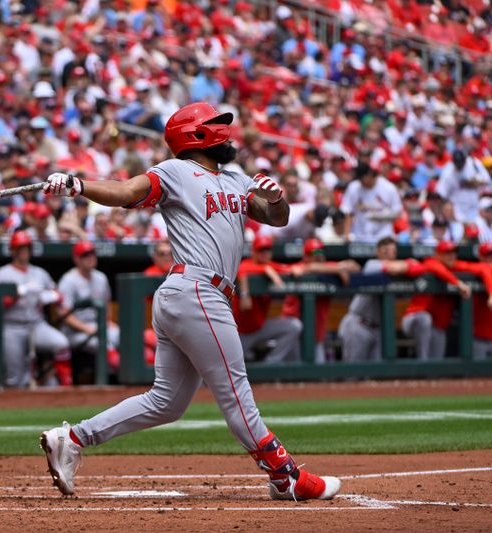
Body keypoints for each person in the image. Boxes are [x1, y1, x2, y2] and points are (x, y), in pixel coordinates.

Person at [40, 102, 341, 501]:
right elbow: (126, 191)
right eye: (217, 124)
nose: (225, 131)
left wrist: (279, 198)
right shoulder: (176, 171)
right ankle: (284, 475)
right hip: (196, 289)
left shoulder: (234, 180)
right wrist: (78, 185)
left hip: (193, 295)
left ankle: (73, 438)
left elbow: (276, 218)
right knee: (236, 393)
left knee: (166, 402)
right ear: (196, 134)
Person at [0, 230, 72, 388]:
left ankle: (63, 383)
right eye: (20, 248)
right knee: (16, 378)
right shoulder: (3, 273)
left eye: (26, 248)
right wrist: (17, 293)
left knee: (61, 343)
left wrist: (50, 296)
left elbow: (59, 294)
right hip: (12, 326)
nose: (24, 252)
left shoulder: (39, 273)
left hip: (37, 324)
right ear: (13, 251)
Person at [400, 241, 492, 360]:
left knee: (437, 356)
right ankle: (421, 362)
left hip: (437, 327)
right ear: (438, 254)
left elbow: (483, 268)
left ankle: (431, 374)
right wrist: (458, 283)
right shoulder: (431, 262)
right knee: (424, 319)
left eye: (453, 253)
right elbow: (437, 269)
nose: (451, 256)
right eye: (446, 253)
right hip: (413, 320)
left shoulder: (456, 266)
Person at [338, 236, 422, 361]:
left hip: (379, 329)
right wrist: (409, 263)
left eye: (392, 251)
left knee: (376, 377)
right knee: (352, 373)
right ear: (377, 253)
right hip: (359, 324)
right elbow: (395, 268)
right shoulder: (372, 265)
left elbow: (418, 269)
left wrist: (410, 265)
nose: (389, 254)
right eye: (385, 251)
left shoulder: (398, 270)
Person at [279, 239, 361, 363]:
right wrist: (338, 269)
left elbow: (355, 266)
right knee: (293, 374)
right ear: (305, 257)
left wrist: (338, 268)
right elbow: (307, 268)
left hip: (316, 334)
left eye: (321, 253)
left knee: (318, 374)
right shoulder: (299, 267)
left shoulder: (328, 268)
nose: (320, 256)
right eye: (315, 254)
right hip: (294, 335)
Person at [234, 235, 302, 363]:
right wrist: (265, 269)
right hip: (240, 334)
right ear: (254, 252)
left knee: (294, 326)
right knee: (228, 366)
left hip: (261, 328)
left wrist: (298, 269)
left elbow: (292, 269)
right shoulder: (246, 264)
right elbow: (241, 269)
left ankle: (271, 362)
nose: (265, 254)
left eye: (267, 250)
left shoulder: (271, 266)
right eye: (261, 250)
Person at [58, 240, 121, 373]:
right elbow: (64, 315)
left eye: (92, 254)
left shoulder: (101, 278)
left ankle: (122, 381)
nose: (90, 258)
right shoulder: (68, 280)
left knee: (122, 337)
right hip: (76, 331)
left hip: (98, 326)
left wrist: (107, 322)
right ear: (76, 259)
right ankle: (111, 381)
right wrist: (87, 329)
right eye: (85, 255)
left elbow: (107, 304)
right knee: (103, 344)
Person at [340, 163, 402, 243]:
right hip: (360, 236)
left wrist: (380, 216)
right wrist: (346, 234)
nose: (361, 182)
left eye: (363, 178)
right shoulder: (354, 187)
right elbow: (348, 212)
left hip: (383, 236)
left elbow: (397, 213)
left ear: (370, 175)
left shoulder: (388, 188)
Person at [474, 243, 492, 360]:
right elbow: (485, 268)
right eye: (489, 255)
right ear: (481, 257)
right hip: (477, 338)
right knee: (475, 376)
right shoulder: (476, 269)